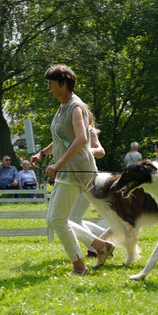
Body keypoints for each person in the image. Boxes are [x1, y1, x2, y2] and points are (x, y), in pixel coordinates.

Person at [30, 64, 114, 276]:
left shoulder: (76, 107)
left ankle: (79, 267)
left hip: (77, 170)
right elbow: (60, 138)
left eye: (51, 84)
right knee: (55, 219)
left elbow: (81, 139)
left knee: (58, 219)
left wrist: (57, 165)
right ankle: (100, 246)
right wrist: (43, 154)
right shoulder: (62, 108)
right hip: (68, 170)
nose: (48, 88)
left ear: (64, 83)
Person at [69, 110, 108, 258]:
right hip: (74, 178)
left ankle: (97, 247)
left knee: (72, 219)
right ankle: (105, 240)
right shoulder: (70, 132)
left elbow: (101, 151)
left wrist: (88, 151)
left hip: (87, 178)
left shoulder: (89, 130)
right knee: (74, 218)